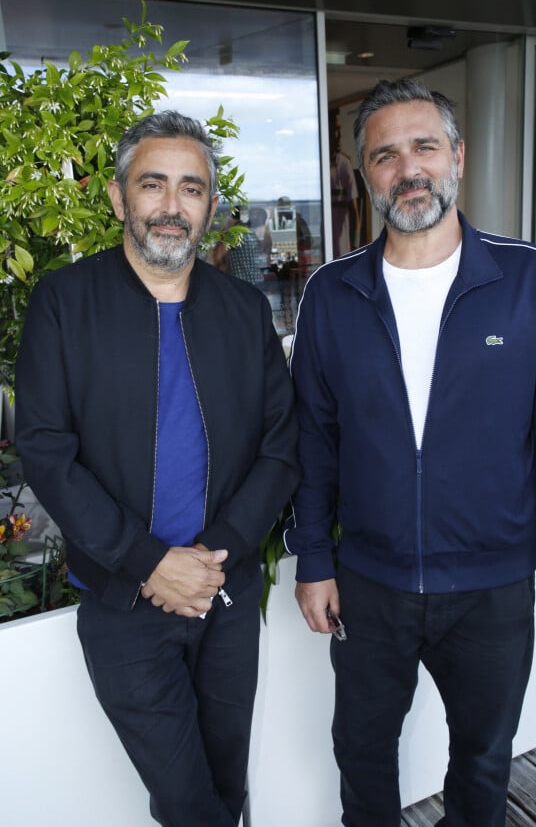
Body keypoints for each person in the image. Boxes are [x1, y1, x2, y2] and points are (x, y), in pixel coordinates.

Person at [285, 78, 536, 826]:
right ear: (365, 174)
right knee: (361, 752)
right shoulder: (331, 294)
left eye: (424, 146)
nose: (407, 168)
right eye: (385, 155)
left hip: (491, 587)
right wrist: (314, 558)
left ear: (458, 156)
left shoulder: (531, 282)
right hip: (370, 584)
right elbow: (314, 441)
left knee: (483, 759)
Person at [15, 110, 300, 827]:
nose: (172, 206)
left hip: (224, 596)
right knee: (185, 801)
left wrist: (212, 557)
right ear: (119, 198)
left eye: (192, 189)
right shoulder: (63, 302)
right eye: (154, 185)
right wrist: (149, 563)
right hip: (123, 604)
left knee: (227, 787)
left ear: (209, 204)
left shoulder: (242, 308)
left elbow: (280, 445)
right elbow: (46, 447)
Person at [329, 108, 360, 258]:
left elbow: (354, 210)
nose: (339, 135)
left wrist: (356, 243)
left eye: (339, 129)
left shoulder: (344, 164)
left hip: (343, 243)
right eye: (335, 130)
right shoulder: (319, 166)